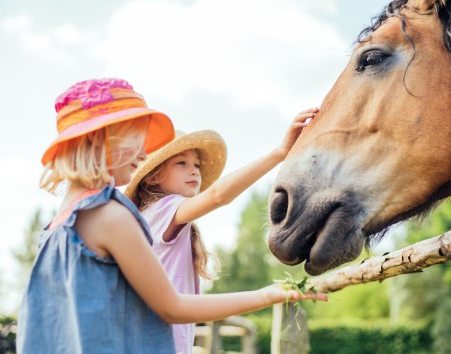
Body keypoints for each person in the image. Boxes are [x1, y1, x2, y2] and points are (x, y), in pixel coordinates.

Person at [17, 77, 326, 354]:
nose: (142, 155)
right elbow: (172, 307)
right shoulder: (111, 216)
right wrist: (267, 295)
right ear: (99, 138)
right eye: (136, 139)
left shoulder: (56, 227)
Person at [124, 108, 319, 354]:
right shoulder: (163, 210)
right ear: (152, 177)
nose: (194, 170)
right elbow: (217, 195)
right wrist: (279, 154)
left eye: (196, 164)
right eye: (181, 163)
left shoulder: (147, 217)